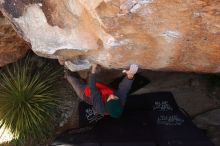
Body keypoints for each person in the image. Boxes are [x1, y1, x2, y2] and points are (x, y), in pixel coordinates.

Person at [65, 64, 138, 118]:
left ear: (107, 103)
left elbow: (92, 89)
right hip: (103, 90)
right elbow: (124, 89)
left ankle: (67, 71)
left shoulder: (100, 107)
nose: (113, 96)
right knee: (91, 77)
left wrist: (93, 69)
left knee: (74, 82)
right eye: (116, 98)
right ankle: (86, 76)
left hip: (87, 94)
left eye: (111, 99)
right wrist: (130, 76)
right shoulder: (120, 103)